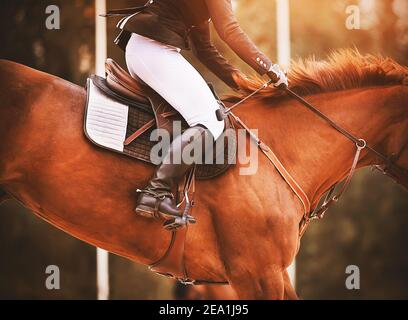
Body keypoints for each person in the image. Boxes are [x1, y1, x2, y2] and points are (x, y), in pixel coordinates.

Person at [107, 0, 288, 227]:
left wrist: (245, 84)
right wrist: (269, 67)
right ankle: (155, 193)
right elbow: (229, 30)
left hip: (146, 49)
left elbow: (204, 49)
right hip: (152, 50)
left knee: (204, 114)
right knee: (209, 120)